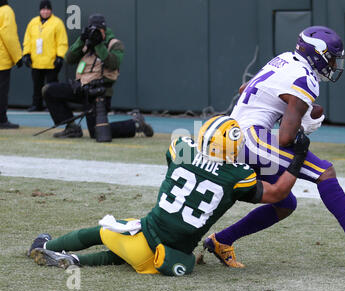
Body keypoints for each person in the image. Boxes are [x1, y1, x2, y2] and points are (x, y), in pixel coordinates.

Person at [203, 26, 345, 268]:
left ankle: (221, 241)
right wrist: (300, 130)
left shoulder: (283, 59)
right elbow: (286, 138)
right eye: (331, 58)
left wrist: (292, 111)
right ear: (317, 54)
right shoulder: (305, 78)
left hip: (232, 136)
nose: (334, 65)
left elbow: (244, 89)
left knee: (285, 204)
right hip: (251, 138)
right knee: (324, 172)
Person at [27, 115, 311, 276]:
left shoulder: (182, 148)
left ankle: (49, 244)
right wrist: (298, 156)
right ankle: (77, 262)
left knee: (102, 232)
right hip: (167, 256)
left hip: (144, 237)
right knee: (125, 256)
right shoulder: (237, 176)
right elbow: (278, 193)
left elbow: (174, 161)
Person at [43, 13, 153, 140]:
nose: (94, 32)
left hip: (99, 94)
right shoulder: (85, 43)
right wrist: (81, 40)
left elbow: (113, 64)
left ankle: (135, 124)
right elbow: (69, 59)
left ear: (104, 30)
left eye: (97, 30)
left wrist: (98, 45)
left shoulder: (114, 44)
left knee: (96, 133)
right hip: (81, 88)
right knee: (49, 90)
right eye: (92, 29)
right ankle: (71, 127)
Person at [22, 0, 68, 112]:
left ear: (51, 10)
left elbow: (62, 41)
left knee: (51, 86)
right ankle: (36, 104)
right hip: (36, 61)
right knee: (37, 85)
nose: (45, 11)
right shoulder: (33, 22)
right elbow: (27, 39)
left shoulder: (57, 23)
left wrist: (60, 56)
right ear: (40, 10)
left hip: (51, 61)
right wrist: (26, 54)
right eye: (43, 9)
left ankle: (52, 106)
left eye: (48, 9)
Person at [0, 0, 22, 129]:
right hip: (1, 60)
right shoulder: (6, 11)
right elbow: (9, 36)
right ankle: (2, 120)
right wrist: (17, 57)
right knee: (1, 91)